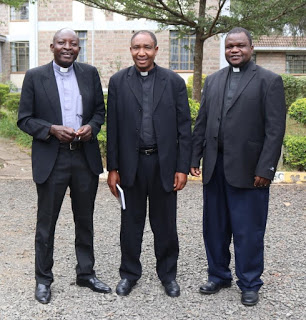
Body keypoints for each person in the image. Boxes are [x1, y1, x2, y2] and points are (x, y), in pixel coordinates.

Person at [190, 27, 286, 306]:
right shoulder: (214, 80)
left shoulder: (269, 81)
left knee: (248, 230)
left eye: (240, 46)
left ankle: (250, 282)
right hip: (215, 169)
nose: (234, 50)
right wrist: (194, 158)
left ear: (251, 48)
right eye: (230, 46)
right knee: (214, 227)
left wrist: (265, 169)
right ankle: (218, 275)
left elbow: (275, 130)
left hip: (249, 170)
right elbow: (203, 123)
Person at [17, 28, 111, 304]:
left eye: (73, 43)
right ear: (52, 46)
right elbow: (24, 119)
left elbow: (99, 113)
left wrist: (92, 128)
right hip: (52, 157)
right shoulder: (35, 77)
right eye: (62, 43)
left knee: (85, 220)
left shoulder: (89, 73)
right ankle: (43, 280)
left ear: (79, 48)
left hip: (84, 157)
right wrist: (51, 129)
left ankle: (86, 273)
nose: (68, 47)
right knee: (46, 222)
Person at [107, 30, 192, 297]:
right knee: (130, 224)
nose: (141, 52)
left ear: (156, 50)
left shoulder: (174, 82)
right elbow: (113, 129)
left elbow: (184, 128)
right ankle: (129, 274)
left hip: (163, 164)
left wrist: (182, 167)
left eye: (147, 47)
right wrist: (112, 168)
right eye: (136, 47)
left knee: (165, 224)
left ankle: (168, 275)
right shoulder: (118, 82)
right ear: (130, 50)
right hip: (131, 165)